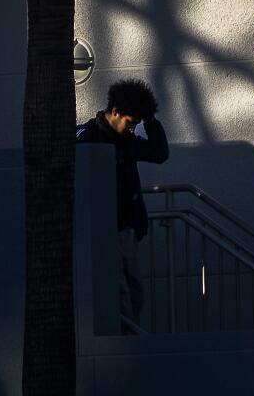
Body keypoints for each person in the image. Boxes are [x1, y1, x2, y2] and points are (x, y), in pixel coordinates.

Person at [75, 78, 169, 332]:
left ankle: (128, 337)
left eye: (136, 124)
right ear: (115, 111)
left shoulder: (126, 141)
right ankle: (125, 343)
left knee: (133, 290)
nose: (132, 129)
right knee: (119, 292)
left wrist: (149, 120)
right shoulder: (87, 138)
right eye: (131, 122)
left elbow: (159, 153)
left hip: (125, 229)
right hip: (101, 230)